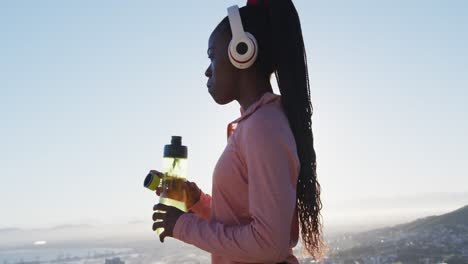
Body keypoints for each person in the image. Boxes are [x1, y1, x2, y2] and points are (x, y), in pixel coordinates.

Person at [149, 0, 326, 263]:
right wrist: (197, 202)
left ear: (242, 51)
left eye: (212, 55)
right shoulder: (257, 124)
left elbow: (268, 244)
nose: (207, 69)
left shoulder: (263, 127)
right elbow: (241, 223)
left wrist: (183, 226)